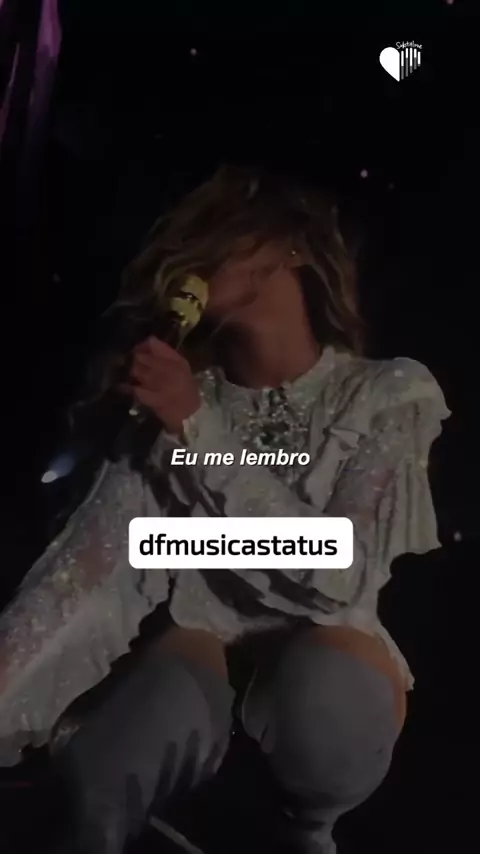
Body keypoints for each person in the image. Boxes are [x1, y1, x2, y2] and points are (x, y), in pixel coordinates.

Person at [0, 164, 450, 854]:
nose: (195, 253)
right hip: (201, 633)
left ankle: (300, 832)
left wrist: (198, 442)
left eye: (225, 230)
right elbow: (85, 576)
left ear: (293, 247)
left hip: (327, 646)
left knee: (326, 700)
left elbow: (343, 565)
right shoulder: (175, 405)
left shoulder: (384, 392)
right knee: (101, 779)